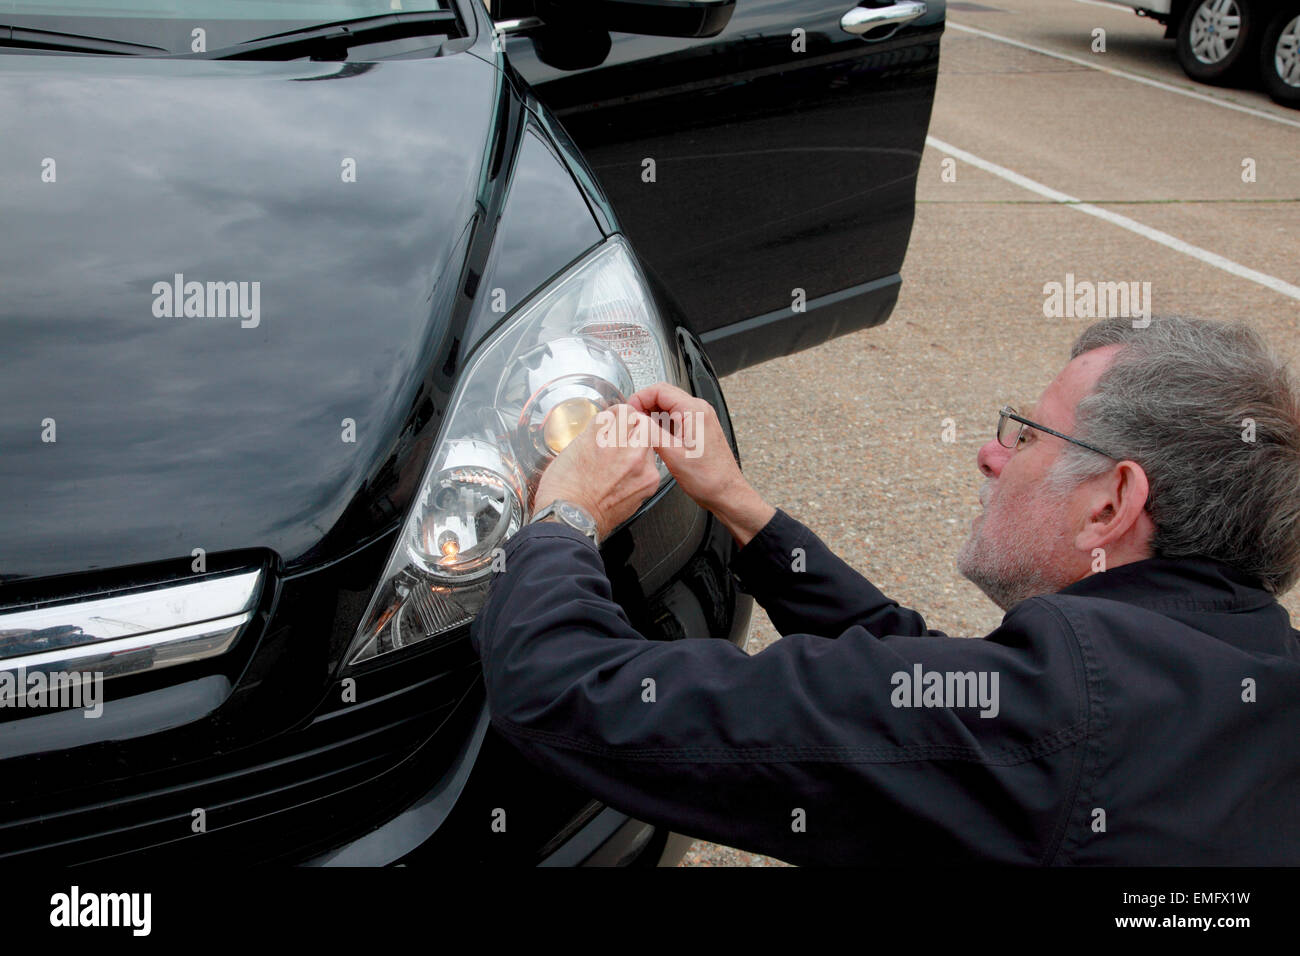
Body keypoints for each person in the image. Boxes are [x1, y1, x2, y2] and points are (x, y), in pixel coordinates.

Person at [469, 314, 1300, 865]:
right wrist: (742, 509)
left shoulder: (1055, 720)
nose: (990, 453)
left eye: (1027, 434)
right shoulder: (1243, 670)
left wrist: (567, 515)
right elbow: (930, 688)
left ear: (1111, 503)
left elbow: (563, 689)